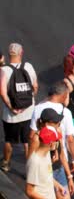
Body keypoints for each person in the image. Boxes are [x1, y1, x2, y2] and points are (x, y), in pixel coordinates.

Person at [0, 43, 38, 172]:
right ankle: (29, 172)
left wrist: (11, 108)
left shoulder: (4, 70)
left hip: (11, 116)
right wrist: (30, 101)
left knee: (9, 140)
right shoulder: (28, 67)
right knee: (27, 142)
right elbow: (35, 86)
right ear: (21, 53)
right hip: (28, 113)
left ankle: (5, 163)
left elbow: (3, 92)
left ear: (9, 54)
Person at [29, 108, 74, 198]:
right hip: (43, 175)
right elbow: (32, 163)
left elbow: (61, 154)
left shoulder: (58, 131)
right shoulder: (37, 139)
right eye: (56, 122)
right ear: (46, 124)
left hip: (58, 171)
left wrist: (69, 177)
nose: (59, 124)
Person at [26, 125, 65, 199]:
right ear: (51, 143)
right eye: (56, 140)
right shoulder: (35, 162)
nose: (57, 143)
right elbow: (29, 191)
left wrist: (58, 185)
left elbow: (46, 176)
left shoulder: (46, 154)